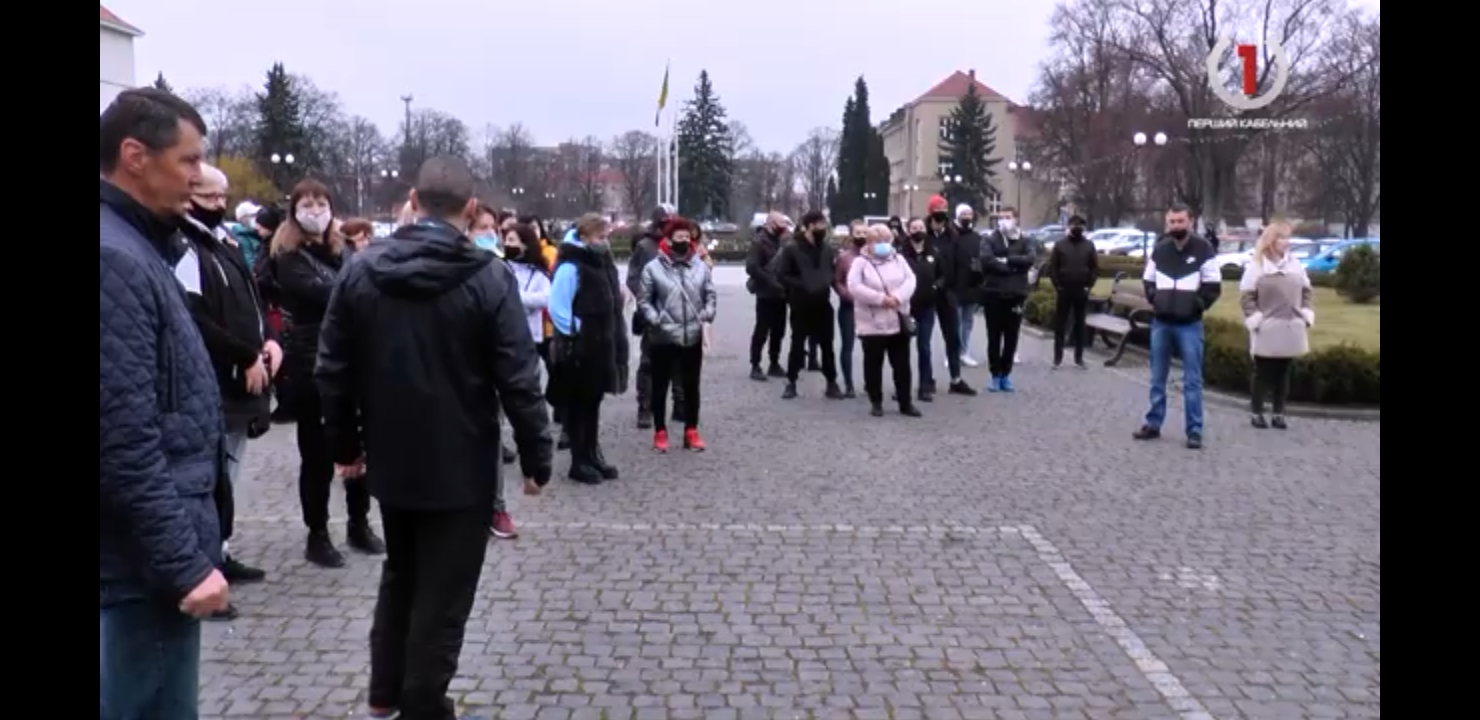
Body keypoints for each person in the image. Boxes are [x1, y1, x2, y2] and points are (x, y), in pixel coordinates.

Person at [316, 155, 552, 720]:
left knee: (402, 573)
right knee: (443, 597)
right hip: (461, 462)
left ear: (413, 202)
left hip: (393, 458)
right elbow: (518, 376)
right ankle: (421, 703)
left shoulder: (360, 269)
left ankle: (385, 695)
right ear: (472, 212)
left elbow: (332, 370)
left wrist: (346, 446)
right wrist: (537, 454)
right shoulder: (489, 276)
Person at [100, 87, 227, 720]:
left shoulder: (136, 243)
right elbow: (121, 439)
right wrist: (182, 565)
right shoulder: (113, 258)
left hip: (143, 563)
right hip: (140, 573)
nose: (201, 178)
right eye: (189, 160)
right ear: (134, 156)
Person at [175, 163, 276, 618]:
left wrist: (267, 342)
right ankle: (204, 563)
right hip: (215, 377)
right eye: (211, 198)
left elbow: (253, 302)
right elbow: (194, 316)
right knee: (210, 476)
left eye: (223, 198)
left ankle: (221, 547)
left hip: (242, 375)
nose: (220, 206)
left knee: (229, 473)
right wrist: (243, 353)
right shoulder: (185, 246)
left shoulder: (223, 243)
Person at [271, 179, 385, 565]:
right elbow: (333, 293)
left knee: (359, 445)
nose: (315, 209)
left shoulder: (345, 250)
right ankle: (317, 532)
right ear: (295, 209)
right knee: (317, 453)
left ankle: (359, 522)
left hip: (354, 358)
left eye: (322, 202)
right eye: (307, 203)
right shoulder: (287, 255)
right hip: (310, 361)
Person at [1134, 203, 1221, 449]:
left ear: (1190, 221)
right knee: (1157, 377)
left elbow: (1213, 286)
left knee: (1192, 380)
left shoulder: (1203, 249)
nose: (1176, 226)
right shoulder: (1160, 249)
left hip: (1189, 325)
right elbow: (1148, 279)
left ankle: (1194, 430)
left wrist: (1196, 305)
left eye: (1180, 221)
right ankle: (1153, 423)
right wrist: (1156, 299)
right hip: (1162, 322)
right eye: (1172, 222)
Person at [550, 214, 625, 484]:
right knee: (579, 405)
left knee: (593, 403)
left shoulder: (597, 263)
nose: (605, 243)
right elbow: (557, 307)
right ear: (584, 237)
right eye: (600, 237)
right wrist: (578, 332)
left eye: (606, 237)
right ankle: (578, 461)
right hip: (580, 349)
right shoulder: (571, 266)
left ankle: (592, 454)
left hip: (598, 346)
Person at [638, 217, 718, 452]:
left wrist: (708, 313)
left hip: (692, 334)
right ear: (668, 239)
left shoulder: (700, 266)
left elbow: (710, 293)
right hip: (663, 336)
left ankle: (691, 430)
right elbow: (644, 300)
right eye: (679, 237)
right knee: (660, 385)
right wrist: (656, 319)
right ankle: (660, 431)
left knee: (692, 386)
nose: (684, 240)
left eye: (687, 237)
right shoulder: (653, 268)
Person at [1239, 221, 1313, 430]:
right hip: (1267, 327)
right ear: (1271, 241)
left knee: (1284, 372)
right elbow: (1246, 297)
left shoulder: (1295, 265)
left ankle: (1279, 413)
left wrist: (1305, 315)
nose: (1286, 242)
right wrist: (1257, 320)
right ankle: (1256, 412)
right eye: (1282, 238)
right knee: (1263, 372)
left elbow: (1307, 292)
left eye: (1288, 238)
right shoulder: (1257, 266)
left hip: (1291, 326)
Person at [847, 225, 920, 418]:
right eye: (878, 241)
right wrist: (880, 299)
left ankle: (906, 403)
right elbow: (854, 286)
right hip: (872, 323)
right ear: (869, 243)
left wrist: (897, 297)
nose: (883, 245)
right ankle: (876, 401)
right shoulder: (860, 263)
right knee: (873, 365)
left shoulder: (899, 259)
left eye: (886, 241)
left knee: (902, 365)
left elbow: (911, 280)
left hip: (898, 320)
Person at [504, 222, 555, 490]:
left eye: (514, 240)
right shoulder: (501, 268)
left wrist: (515, 298)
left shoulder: (537, 272)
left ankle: (531, 451)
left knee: (526, 396)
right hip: (502, 338)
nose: (509, 245)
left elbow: (545, 298)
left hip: (529, 339)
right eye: (506, 239)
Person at [774, 210, 843, 400]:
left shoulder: (827, 248)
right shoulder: (792, 248)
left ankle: (832, 382)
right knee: (797, 344)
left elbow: (831, 269)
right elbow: (782, 274)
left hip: (822, 303)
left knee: (827, 345)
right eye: (821, 224)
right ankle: (791, 382)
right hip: (801, 303)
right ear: (810, 225)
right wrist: (802, 284)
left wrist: (826, 280)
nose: (824, 228)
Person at [628, 206, 686, 428]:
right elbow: (633, 278)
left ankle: (679, 404)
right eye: (665, 224)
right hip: (653, 313)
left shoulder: (683, 246)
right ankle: (645, 408)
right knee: (649, 363)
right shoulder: (645, 247)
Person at [977, 206, 1036, 391]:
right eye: (1001, 217)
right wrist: (1013, 268)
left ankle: (1006, 375)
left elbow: (1030, 258)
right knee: (994, 338)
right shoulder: (989, 239)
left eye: (1008, 217)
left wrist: (1006, 260)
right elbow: (986, 260)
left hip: (1016, 295)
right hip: (993, 294)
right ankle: (994, 375)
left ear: (1016, 219)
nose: (1004, 220)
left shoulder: (1025, 240)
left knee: (1011, 338)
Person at [920, 203, 973, 396]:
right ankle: (926, 379)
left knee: (953, 338)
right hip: (926, 294)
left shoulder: (953, 237)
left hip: (948, 292)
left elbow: (962, 265)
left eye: (942, 218)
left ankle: (955, 379)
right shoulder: (923, 236)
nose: (939, 222)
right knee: (923, 341)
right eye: (936, 218)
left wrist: (957, 291)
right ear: (930, 218)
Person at [1045, 215, 1098, 369]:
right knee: (1060, 324)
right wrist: (1058, 286)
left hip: (1081, 289)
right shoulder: (1060, 245)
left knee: (1080, 324)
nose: (1077, 228)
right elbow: (1052, 267)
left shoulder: (1089, 245)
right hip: (1064, 289)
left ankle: (1079, 358)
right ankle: (1057, 357)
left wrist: (1089, 285)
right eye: (1074, 225)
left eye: (1080, 225)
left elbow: (1094, 267)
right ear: (1069, 226)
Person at [745, 211, 790, 380]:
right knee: (762, 330)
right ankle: (755, 365)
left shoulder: (782, 240)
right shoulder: (759, 242)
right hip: (765, 293)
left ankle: (774, 363)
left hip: (781, 293)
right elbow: (752, 267)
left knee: (779, 330)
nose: (784, 227)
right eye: (781, 223)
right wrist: (772, 282)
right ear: (771, 224)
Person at [832, 221, 868, 398]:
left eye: (864, 233)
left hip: (869, 308)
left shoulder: (873, 256)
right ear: (852, 234)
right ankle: (849, 383)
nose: (861, 236)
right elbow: (837, 280)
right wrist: (846, 295)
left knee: (871, 347)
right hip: (848, 307)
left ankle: (870, 382)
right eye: (858, 233)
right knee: (848, 346)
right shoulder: (844, 257)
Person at [949, 203, 983, 368]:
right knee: (954, 322)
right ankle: (953, 353)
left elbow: (981, 258)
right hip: (954, 285)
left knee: (967, 321)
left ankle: (965, 352)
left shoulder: (976, 237)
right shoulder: (951, 235)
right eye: (963, 214)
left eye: (969, 214)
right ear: (957, 215)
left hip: (971, 285)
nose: (967, 217)